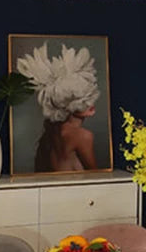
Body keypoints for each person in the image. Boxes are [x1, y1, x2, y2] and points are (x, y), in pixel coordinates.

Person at [16, 42, 100, 172]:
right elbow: (98, 176)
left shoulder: (52, 133)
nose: (90, 103)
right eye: (80, 100)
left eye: (89, 96)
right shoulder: (83, 136)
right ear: (66, 106)